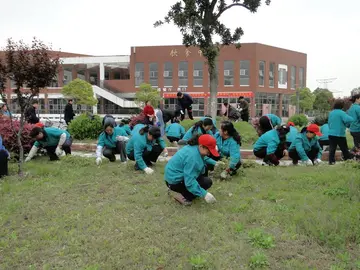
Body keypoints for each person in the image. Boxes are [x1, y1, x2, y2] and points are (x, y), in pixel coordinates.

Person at [164, 134, 218, 205]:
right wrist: (205, 194)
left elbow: (204, 158)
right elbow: (189, 182)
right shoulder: (193, 157)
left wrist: (216, 163)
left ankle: (185, 192)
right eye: (209, 151)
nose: (209, 153)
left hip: (172, 178)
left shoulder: (194, 148)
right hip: (175, 182)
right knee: (206, 182)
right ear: (201, 146)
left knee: (204, 177)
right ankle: (183, 196)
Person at [328, 99, 354, 165]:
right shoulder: (341, 113)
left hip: (331, 133)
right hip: (339, 134)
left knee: (332, 148)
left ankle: (331, 161)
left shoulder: (331, 113)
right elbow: (349, 119)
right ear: (342, 106)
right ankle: (347, 159)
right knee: (344, 148)